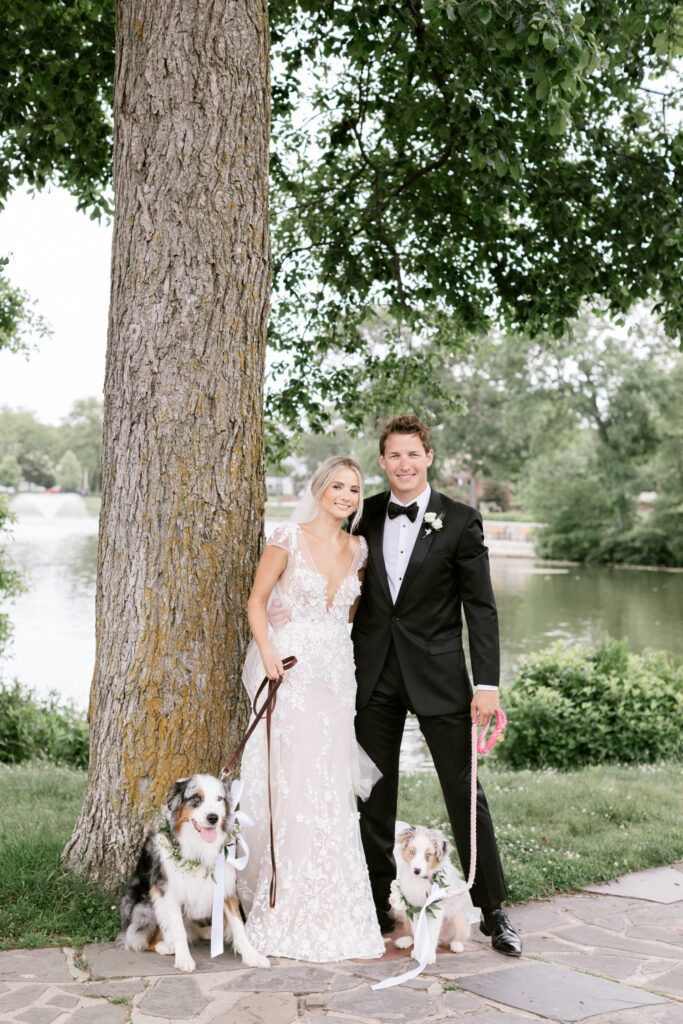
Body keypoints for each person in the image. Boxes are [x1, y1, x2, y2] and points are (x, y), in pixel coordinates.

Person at [351, 414, 522, 956]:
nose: (403, 464)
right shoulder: (364, 512)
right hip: (373, 673)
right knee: (373, 795)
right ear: (383, 461)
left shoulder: (461, 519)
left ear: (429, 457)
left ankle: (493, 909)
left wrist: (487, 683)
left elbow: (482, 608)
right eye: (393, 456)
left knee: (465, 793)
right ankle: (378, 904)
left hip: (442, 675)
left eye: (413, 454)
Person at [238, 456, 385, 962]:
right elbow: (258, 602)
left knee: (329, 787)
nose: (346, 495)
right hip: (292, 670)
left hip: (337, 676)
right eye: (338, 486)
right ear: (320, 488)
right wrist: (269, 650)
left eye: (355, 489)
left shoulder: (359, 548)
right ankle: (283, 900)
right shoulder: (286, 537)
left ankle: (333, 903)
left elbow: (347, 615)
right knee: (294, 782)